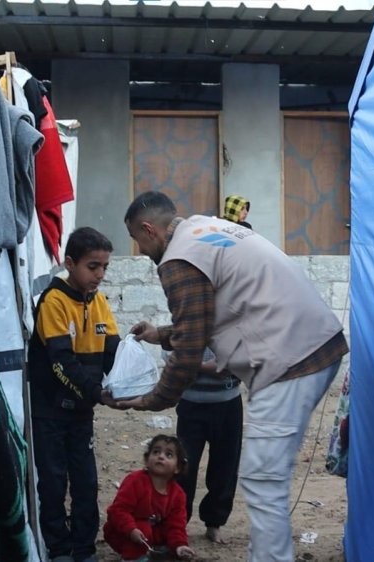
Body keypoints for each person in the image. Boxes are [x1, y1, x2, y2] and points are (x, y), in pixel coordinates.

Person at [119, 191, 348, 562]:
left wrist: (151, 400)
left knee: (262, 478)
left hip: (289, 361)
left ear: (149, 230)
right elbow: (202, 322)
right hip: (316, 345)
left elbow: (189, 350)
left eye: (137, 240)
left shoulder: (177, 258)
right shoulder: (205, 229)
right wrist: (160, 334)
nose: (142, 251)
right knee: (264, 477)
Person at [28, 226, 121, 562]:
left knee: (86, 483)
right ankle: (59, 549)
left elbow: (113, 351)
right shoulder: (53, 302)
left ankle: (84, 549)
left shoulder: (100, 303)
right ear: (70, 263)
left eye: (104, 267)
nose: (100, 274)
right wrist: (97, 392)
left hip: (82, 412)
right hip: (49, 411)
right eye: (92, 266)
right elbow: (61, 362)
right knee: (53, 483)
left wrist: (129, 382)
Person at [162, 348, 242, 544]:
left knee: (225, 466)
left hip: (228, 403)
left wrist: (194, 364)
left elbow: (246, 357)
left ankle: (215, 522)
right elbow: (169, 354)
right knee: (184, 466)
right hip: (191, 403)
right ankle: (178, 524)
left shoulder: (235, 328)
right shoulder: (186, 328)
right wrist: (207, 366)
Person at [103, 435, 197, 562]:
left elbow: (176, 525)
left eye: (168, 455)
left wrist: (180, 545)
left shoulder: (178, 494)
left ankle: (154, 552)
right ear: (147, 460)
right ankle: (132, 558)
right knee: (144, 528)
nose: (161, 456)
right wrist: (131, 530)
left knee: (167, 536)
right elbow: (118, 511)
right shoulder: (135, 481)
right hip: (123, 531)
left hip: (151, 534)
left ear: (177, 468)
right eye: (156, 452)